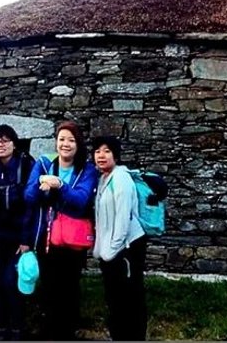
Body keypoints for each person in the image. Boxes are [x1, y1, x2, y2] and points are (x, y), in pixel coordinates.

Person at [22, 121, 98, 340]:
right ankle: (50, 332)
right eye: (62, 139)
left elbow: (82, 201)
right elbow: (28, 197)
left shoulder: (87, 169)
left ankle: (67, 332)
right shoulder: (44, 164)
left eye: (71, 140)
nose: (65, 144)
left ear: (78, 144)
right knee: (49, 288)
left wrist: (60, 186)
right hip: (46, 237)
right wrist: (40, 185)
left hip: (73, 239)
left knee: (70, 288)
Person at [0, 124, 35, 341]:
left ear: (14, 142)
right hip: (1, 232)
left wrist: (26, 238)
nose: (1, 145)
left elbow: (31, 203)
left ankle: (17, 326)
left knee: (15, 279)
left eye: (5, 140)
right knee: (3, 280)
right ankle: (2, 326)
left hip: (20, 232)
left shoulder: (26, 164)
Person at [92, 136, 147, 341]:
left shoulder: (121, 178)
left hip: (127, 248)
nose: (101, 155)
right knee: (114, 299)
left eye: (106, 151)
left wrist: (109, 252)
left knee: (129, 299)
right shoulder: (104, 178)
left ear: (116, 155)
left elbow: (123, 220)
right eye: (97, 151)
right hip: (112, 251)